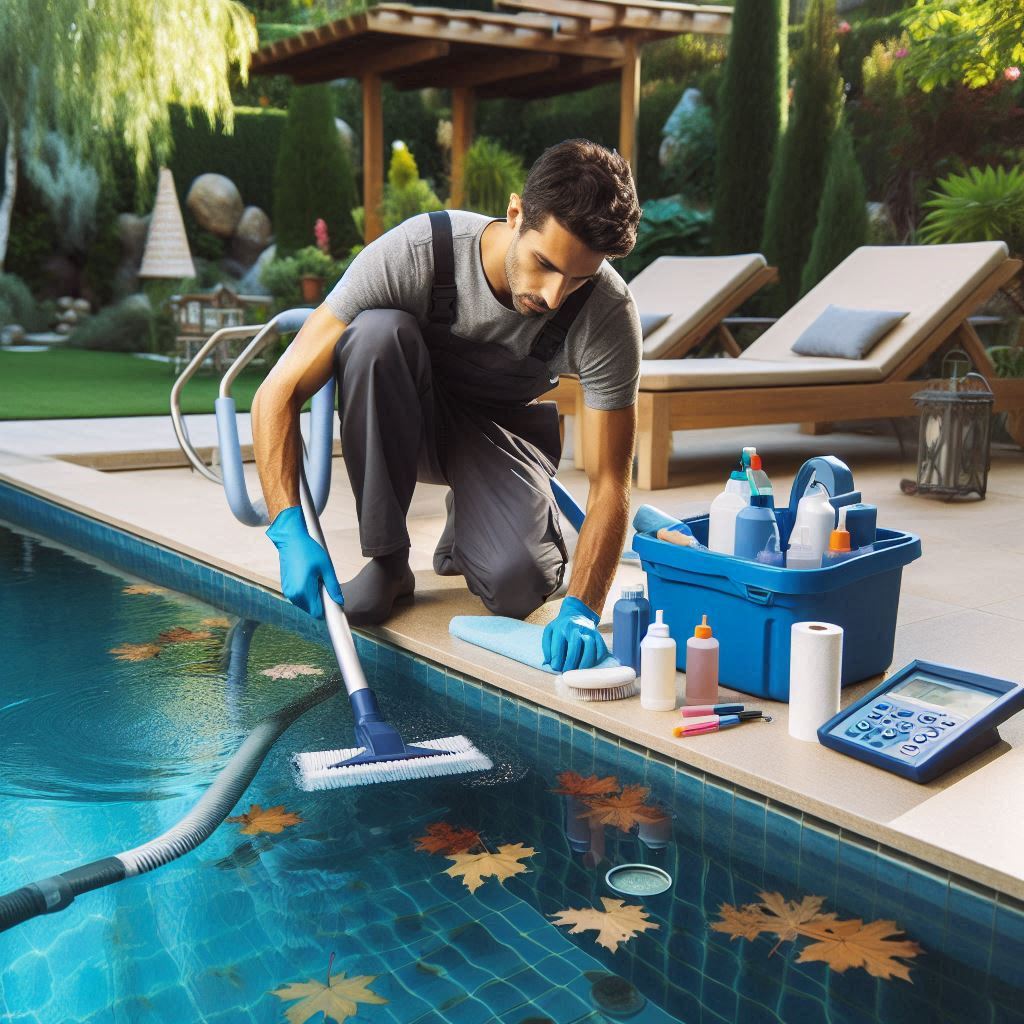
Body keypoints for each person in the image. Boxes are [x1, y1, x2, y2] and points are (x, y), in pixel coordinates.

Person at [251, 138, 642, 672]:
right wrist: (287, 527)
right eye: (545, 264)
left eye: (577, 279)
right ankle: (388, 564)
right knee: (373, 335)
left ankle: (478, 521)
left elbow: (610, 482)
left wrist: (583, 607)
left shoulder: (609, 313)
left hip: (496, 435)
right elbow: (278, 391)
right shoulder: (418, 252)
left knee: (517, 585)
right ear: (515, 213)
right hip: (403, 423)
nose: (554, 296)